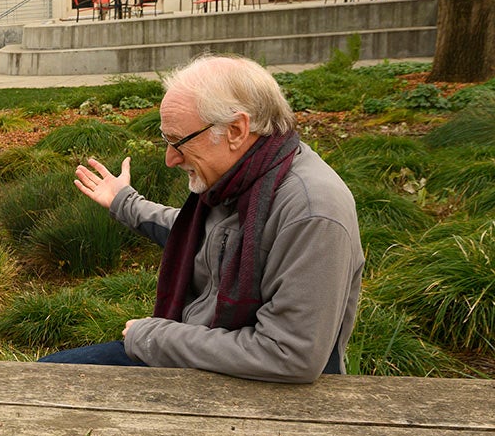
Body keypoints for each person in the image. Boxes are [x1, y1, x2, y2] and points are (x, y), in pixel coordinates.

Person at [39, 55, 363, 383]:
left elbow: (289, 354)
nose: (170, 159)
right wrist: (125, 202)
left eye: (179, 142)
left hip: (263, 387)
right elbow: (204, 236)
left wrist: (154, 336)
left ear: (236, 129)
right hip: (211, 355)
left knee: (48, 381)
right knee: (46, 376)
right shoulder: (246, 177)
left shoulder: (313, 212)